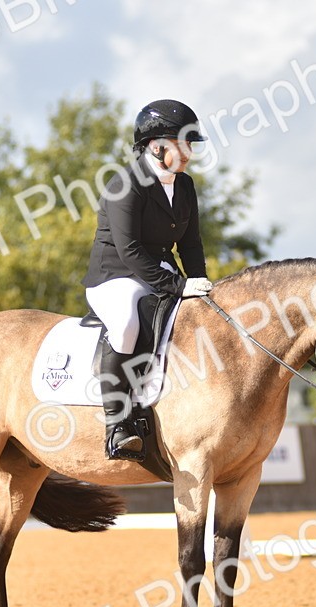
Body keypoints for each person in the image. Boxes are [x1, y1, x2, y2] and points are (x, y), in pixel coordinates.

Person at [83, 99, 214, 461]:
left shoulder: (184, 186)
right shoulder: (125, 184)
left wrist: (199, 283)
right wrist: (177, 286)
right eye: (182, 143)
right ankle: (117, 425)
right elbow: (130, 251)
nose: (189, 153)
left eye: (191, 144)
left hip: (159, 273)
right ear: (156, 146)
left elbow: (190, 243)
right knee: (126, 323)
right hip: (115, 277)